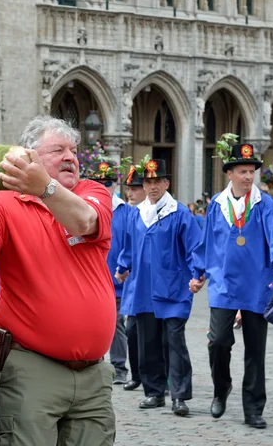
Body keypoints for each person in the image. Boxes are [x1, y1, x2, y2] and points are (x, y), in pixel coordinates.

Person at [0, 115, 116, 446]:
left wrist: (46, 187)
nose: (70, 157)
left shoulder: (91, 192)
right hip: (32, 364)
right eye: (58, 150)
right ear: (26, 155)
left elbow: (84, 221)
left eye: (74, 150)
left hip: (93, 372)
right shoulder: (2, 201)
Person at [190, 143, 273, 429]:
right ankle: (222, 388)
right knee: (218, 341)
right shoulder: (217, 204)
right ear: (229, 173)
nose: (248, 176)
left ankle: (253, 408)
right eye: (242, 171)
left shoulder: (264, 203)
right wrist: (198, 273)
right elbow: (206, 243)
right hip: (223, 285)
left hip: (258, 284)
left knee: (255, 349)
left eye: (251, 171)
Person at [116, 159, 201, 416]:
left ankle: (179, 395)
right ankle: (154, 392)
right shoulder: (137, 213)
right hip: (143, 287)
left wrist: (197, 274)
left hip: (174, 288)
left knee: (174, 340)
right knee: (147, 342)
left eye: (157, 181)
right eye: (148, 182)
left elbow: (194, 247)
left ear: (167, 183)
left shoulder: (179, 213)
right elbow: (129, 246)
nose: (152, 187)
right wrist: (122, 267)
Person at [86, 160, 130, 385]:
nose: (104, 187)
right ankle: (94, 364)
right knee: (92, 322)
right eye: (99, 182)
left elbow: (129, 244)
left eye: (108, 183)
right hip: (92, 276)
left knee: (116, 324)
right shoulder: (87, 208)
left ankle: (119, 366)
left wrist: (126, 268)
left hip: (117, 277)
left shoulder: (125, 211)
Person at [120, 166, 145, 392]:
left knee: (162, 333)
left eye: (135, 188)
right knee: (132, 330)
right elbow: (128, 246)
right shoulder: (132, 213)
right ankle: (137, 374)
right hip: (134, 283)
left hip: (157, 284)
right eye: (129, 189)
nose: (131, 193)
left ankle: (162, 377)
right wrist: (122, 266)